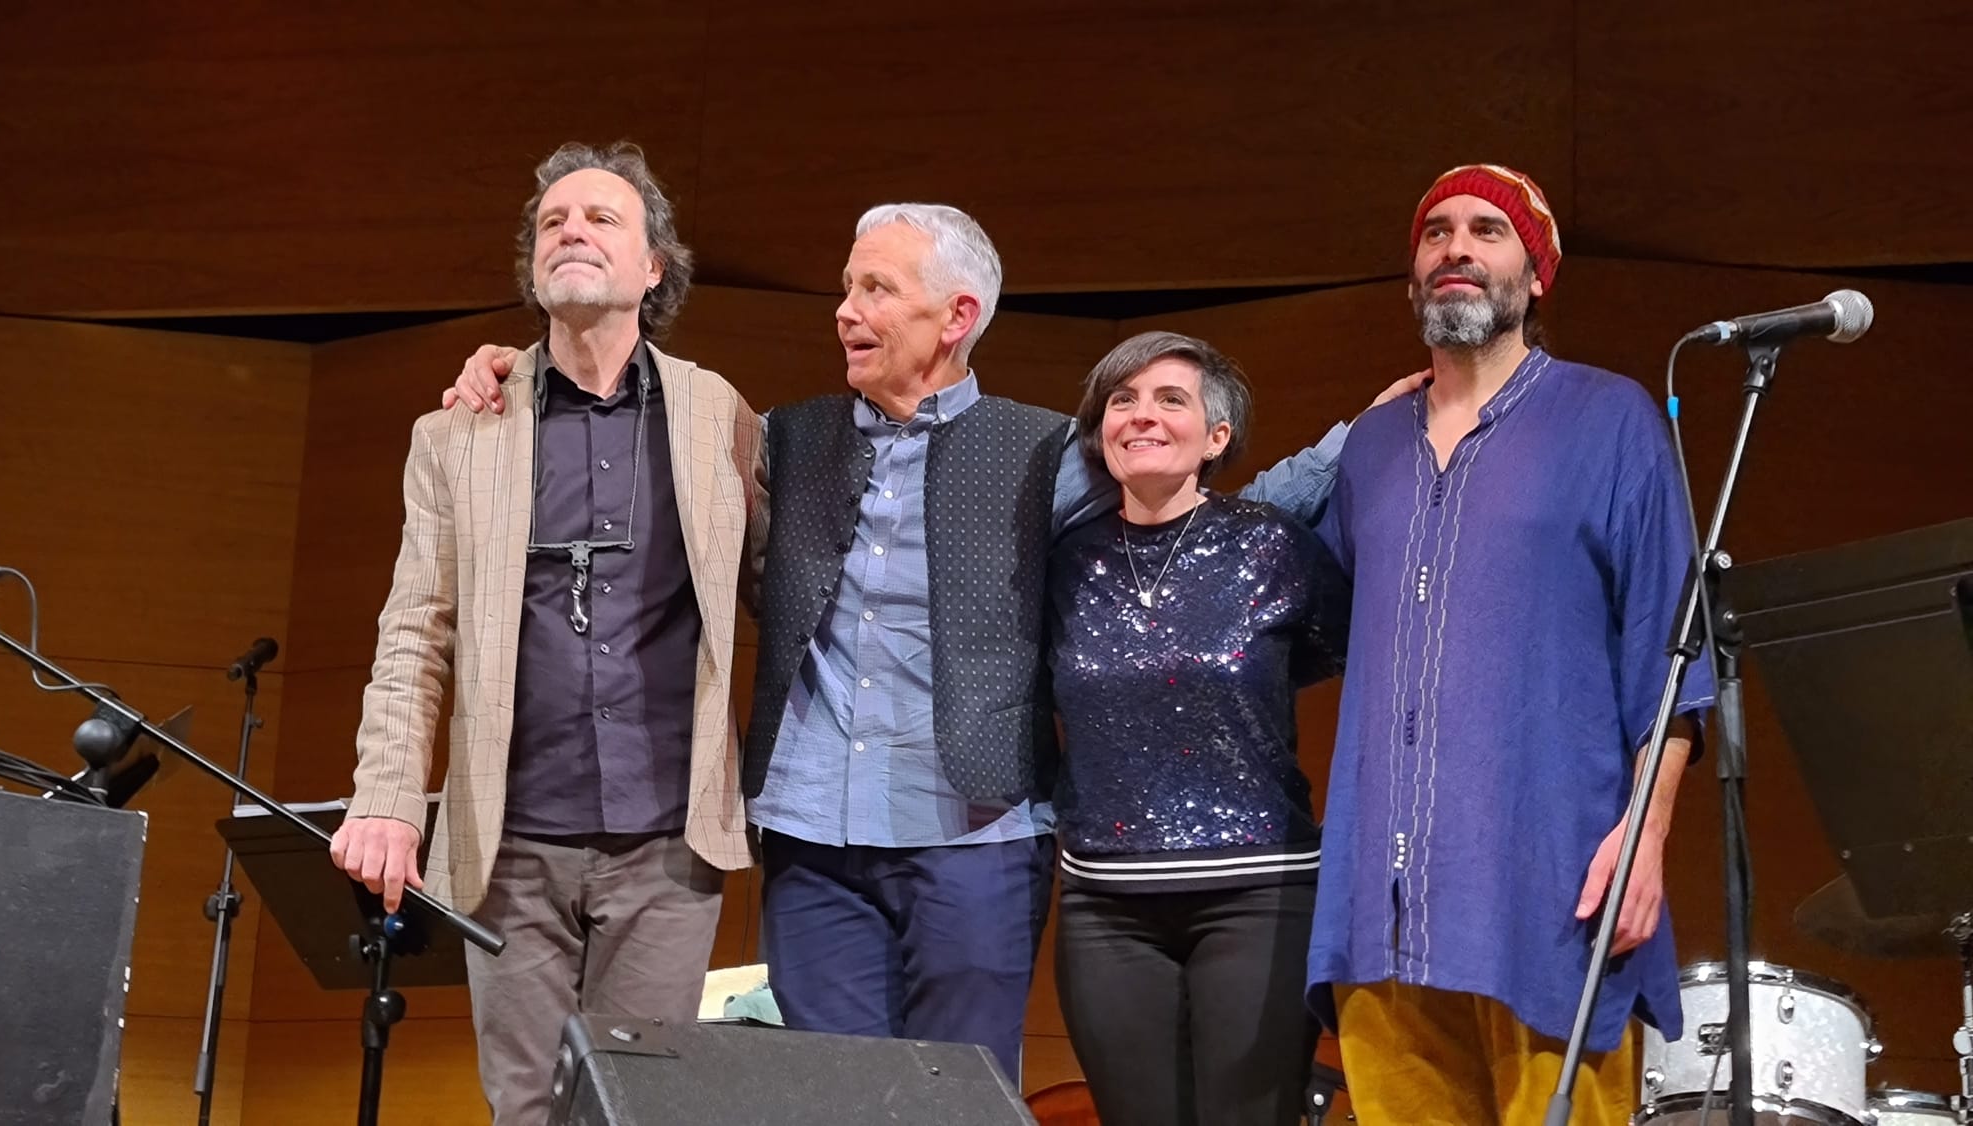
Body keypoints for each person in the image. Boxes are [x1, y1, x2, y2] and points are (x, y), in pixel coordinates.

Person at [442, 203, 1409, 1083]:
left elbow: (1210, 520)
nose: (845, 310)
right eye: (845, 288)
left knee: (962, 1093)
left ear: (955, 318)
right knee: (837, 1096)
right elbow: (631, 408)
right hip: (815, 831)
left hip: (975, 833)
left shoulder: (1046, 452)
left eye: (875, 290)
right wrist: (515, 365)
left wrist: (1354, 441)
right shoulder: (780, 434)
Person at [328, 141, 768, 1126]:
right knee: (524, 1108)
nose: (570, 230)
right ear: (533, 264)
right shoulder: (455, 431)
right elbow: (414, 627)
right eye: (551, 222)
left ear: (654, 266)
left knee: (641, 1109)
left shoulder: (721, 418)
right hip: (509, 832)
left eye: (601, 218)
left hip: (669, 837)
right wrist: (389, 796)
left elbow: (780, 594)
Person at [1307, 163, 1714, 1125]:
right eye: (1436, 232)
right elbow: (1307, 623)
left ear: (1535, 277)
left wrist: (1647, 837)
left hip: (1552, 889)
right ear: (1414, 274)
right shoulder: (1369, 447)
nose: (1456, 248)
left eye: (1488, 232)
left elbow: (1675, 653)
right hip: (1386, 903)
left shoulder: (1609, 419)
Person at [1048, 331, 1349, 1126]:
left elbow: (1328, 654)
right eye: (1123, 400)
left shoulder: (1274, 545)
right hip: (1105, 906)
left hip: (1262, 895)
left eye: (1169, 399)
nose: (1141, 416)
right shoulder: (1062, 562)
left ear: (1216, 437)